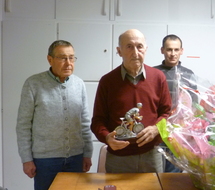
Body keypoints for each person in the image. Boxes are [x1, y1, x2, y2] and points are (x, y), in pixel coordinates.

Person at [91, 29, 172, 173]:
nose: (135, 52)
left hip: (151, 156)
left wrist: (156, 129)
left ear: (146, 49)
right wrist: (107, 138)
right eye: (129, 46)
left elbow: (167, 114)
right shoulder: (107, 81)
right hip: (118, 159)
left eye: (139, 46)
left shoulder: (158, 78)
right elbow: (98, 120)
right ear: (119, 51)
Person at [16, 40, 93, 190]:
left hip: (76, 158)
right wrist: (26, 159)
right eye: (62, 58)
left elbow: (84, 122)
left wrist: (87, 153)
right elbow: (23, 125)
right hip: (45, 161)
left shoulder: (79, 84)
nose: (68, 63)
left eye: (71, 57)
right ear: (50, 59)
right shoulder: (33, 84)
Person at [154, 34, 195, 173]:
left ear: (181, 51)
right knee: (155, 173)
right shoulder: (153, 73)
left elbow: (194, 106)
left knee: (174, 176)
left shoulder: (188, 75)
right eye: (169, 49)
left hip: (179, 133)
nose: (172, 54)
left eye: (176, 50)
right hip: (156, 131)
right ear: (162, 50)